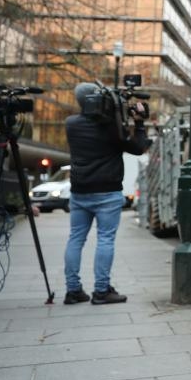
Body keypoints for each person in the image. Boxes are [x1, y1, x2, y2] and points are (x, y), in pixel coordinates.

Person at [63, 83, 150, 305]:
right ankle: (101, 291)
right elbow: (138, 147)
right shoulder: (112, 127)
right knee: (105, 239)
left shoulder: (71, 124)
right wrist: (139, 122)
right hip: (107, 192)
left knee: (75, 239)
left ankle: (73, 290)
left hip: (79, 192)